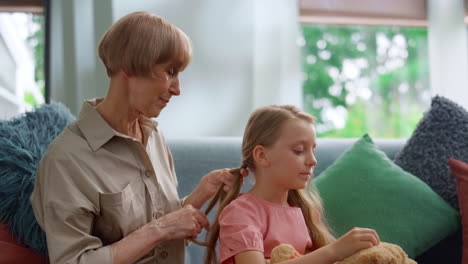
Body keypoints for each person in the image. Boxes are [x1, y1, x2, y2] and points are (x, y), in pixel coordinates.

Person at [30, 11, 245, 264]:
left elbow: (158, 232)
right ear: (130, 66)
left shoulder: (154, 137)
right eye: (170, 72)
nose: (177, 89)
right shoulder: (66, 159)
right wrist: (162, 228)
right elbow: (72, 261)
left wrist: (199, 196)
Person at [200, 105, 380, 264]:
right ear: (262, 155)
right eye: (299, 150)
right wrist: (334, 251)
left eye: (313, 150)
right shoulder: (240, 213)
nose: (313, 160)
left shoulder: (305, 211)